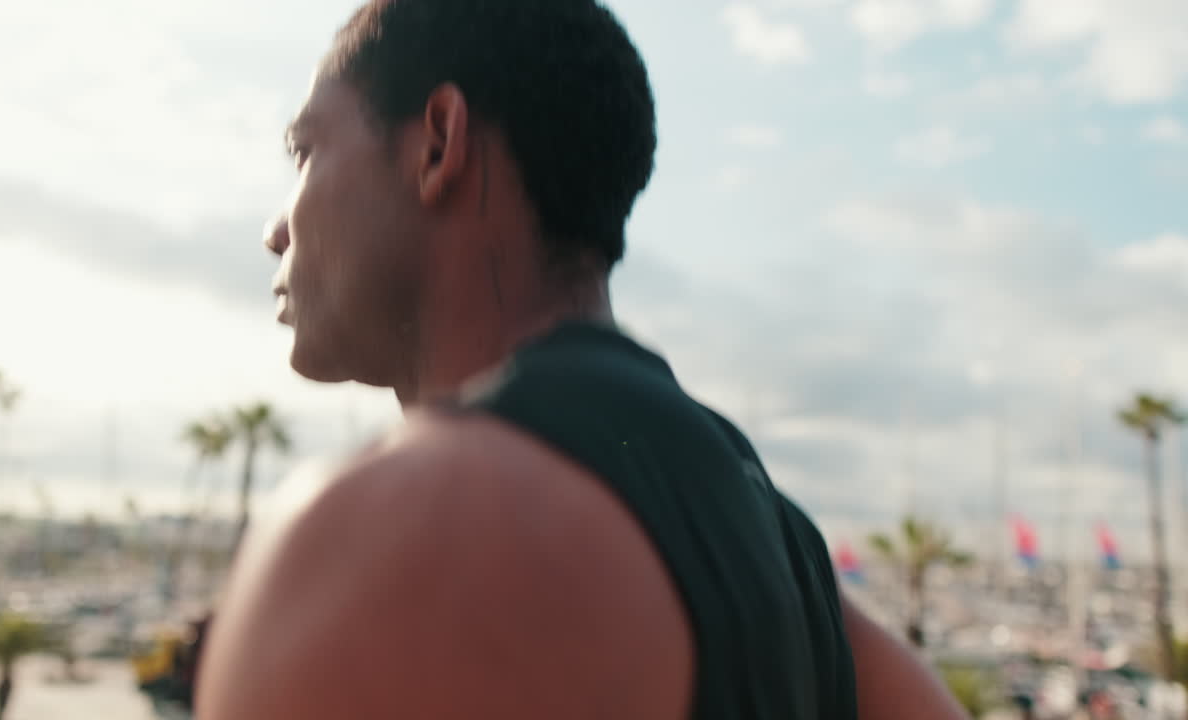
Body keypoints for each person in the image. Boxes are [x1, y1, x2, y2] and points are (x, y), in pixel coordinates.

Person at [197, 1, 968, 718]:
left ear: (438, 142)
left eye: (304, 150)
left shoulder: (386, 535)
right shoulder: (789, 562)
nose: (276, 230)